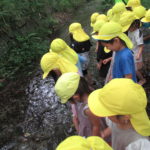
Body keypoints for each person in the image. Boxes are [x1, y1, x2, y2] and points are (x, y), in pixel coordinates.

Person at [88, 78, 150, 150]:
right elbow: (113, 126)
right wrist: (104, 133)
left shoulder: (139, 144)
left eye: (108, 112)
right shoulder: (117, 120)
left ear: (126, 117)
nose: (106, 116)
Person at [54, 72, 110, 139]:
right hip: (88, 125)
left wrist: (92, 142)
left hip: (96, 133)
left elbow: (96, 126)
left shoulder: (88, 109)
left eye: (69, 100)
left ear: (76, 97)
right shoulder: (89, 91)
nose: (70, 103)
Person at [121, 11, 146, 85]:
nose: (127, 29)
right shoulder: (130, 31)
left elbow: (141, 46)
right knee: (135, 67)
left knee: (135, 69)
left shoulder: (138, 33)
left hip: (136, 53)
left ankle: (142, 79)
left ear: (134, 25)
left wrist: (138, 55)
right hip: (131, 52)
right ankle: (140, 74)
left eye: (128, 27)